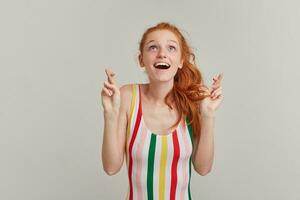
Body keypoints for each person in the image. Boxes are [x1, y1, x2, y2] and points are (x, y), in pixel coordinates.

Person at [100, 22, 224, 200]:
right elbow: (111, 167)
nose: (162, 54)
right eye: (153, 47)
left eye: (171, 48)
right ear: (142, 59)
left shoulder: (193, 101)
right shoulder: (127, 97)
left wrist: (208, 115)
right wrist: (110, 115)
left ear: (181, 60)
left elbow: (203, 168)